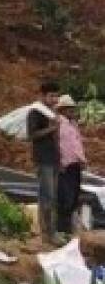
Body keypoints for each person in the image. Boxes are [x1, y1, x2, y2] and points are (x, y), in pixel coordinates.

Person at [28, 82, 62, 244]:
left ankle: (51, 232)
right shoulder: (36, 112)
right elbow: (32, 135)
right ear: (42, 95)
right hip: (43, 159)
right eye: (51, 96)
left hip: (53, 158)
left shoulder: (52, 113)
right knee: (46, 196)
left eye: (56, 95)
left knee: (52, 196)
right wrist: (51, 128)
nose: (55, 99)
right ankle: (47, 234)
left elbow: (56, 139)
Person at [55, 94, 86, 237]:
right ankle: (62, 230)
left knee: (74, 196)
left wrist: (82, 159)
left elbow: (77, 143)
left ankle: (68, 229)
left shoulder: (73, 124)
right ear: (62, 110)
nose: (72, 112)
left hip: (75, 163)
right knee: (64, 197)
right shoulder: (58, 124)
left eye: (72, 109)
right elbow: (57, 145)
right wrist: (59, 161)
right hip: (64, 164)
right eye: (69, 109)